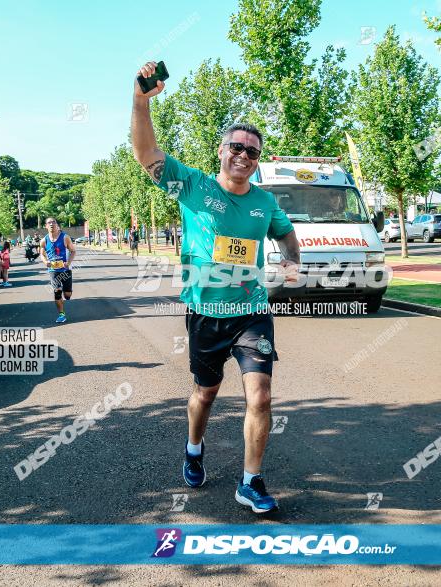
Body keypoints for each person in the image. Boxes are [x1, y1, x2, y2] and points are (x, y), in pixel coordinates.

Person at [132, 61, 301, 514]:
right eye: (236, 147)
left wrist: (291, 259)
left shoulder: (265, 201)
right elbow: (146, 154)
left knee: (261, 395)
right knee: (205, 393)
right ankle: (193, 447)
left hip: (251, 312)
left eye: (253, 151)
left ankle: (251, 481)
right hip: (206, 314)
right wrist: (141, 102)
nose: (244, 156)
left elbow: (286, 233)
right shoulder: (192, 185)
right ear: (221, 150)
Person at [39, 217, 76, 323]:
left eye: (53, 222)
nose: (51, 224)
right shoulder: (44, 240)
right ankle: (61, 314)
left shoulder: (65, 237)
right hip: (53, 270)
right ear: (46, 226)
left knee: (67, 295)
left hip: (65, 270)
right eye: (49, 223)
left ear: (56, 225)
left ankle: (67, 291)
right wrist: (46, 262)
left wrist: (68, 263)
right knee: (57, 292)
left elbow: (73, 251)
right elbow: (42, 254)